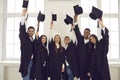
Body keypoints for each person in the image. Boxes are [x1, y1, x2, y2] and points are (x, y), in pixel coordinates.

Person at [72, 15, 91, 80]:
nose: (86, 33)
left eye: (87, 32)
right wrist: (75, 19)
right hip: (79, 64)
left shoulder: (91, 42)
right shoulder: (80, 39)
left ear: (89, 34)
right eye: (85, 32)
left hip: (88, 66)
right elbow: (77, 30)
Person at [19, 8, 35, 80]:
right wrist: (23, 16)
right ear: (27, 31)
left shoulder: (33, 39)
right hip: (26, 61)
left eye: (32, 31)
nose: (31, 32)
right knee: (26, 77)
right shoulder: (24, 38)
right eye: (30, 31)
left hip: (32, 61)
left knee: (31, 77)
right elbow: (22, 28)